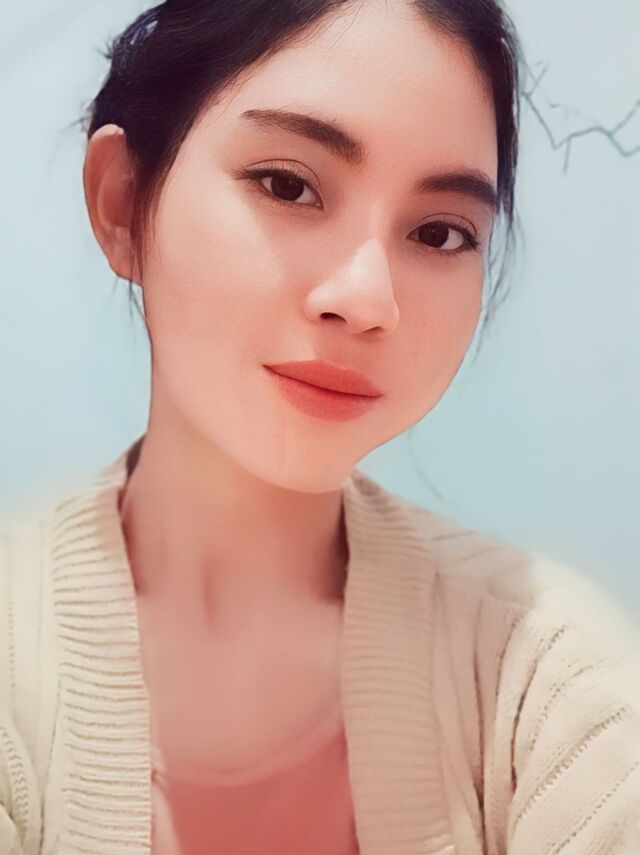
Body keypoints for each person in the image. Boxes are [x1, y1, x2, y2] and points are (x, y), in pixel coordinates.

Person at [1, 1, 639, 853]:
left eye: (439, 232)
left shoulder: (556, 685)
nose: (368, 298)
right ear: (122, 201)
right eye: (287, 185)